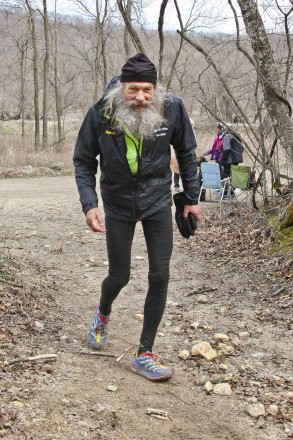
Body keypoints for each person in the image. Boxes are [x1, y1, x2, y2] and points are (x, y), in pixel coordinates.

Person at [73, 53, 200, 382]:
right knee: (120, 276)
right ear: (121, 88)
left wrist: (191, 198)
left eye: (146, 90)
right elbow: (83, 160)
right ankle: (103, 313)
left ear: (155, 89)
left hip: (157, 200)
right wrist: (90, 204)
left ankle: (144, 353)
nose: (140, 97)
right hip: (117, 203)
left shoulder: (171, 108)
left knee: (160, 275)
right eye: (133, 90)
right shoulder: (101, 113)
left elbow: (186, 151)